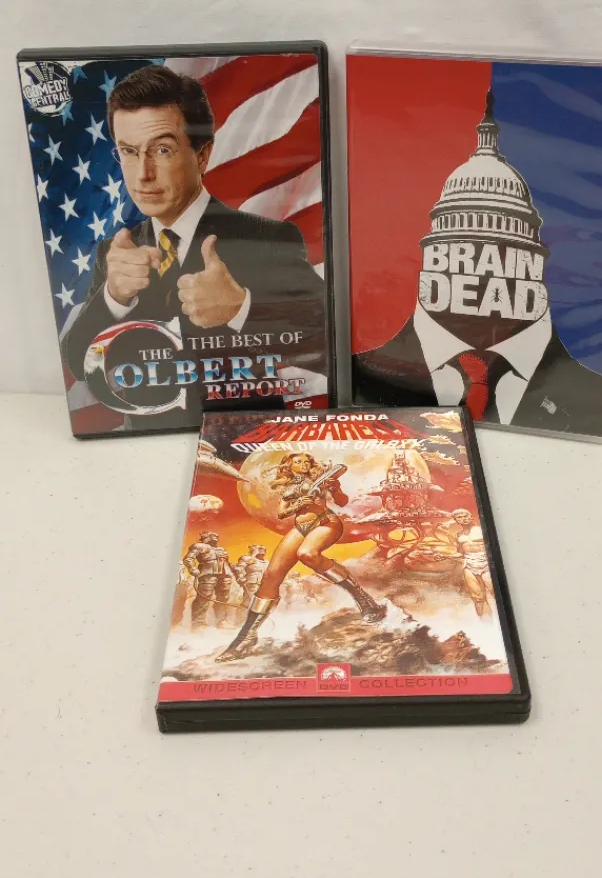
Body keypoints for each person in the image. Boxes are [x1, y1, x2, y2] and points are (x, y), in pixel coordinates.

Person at [61, 65, 327, 428]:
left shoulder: (267, 238)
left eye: (163, 150)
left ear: (202, 156)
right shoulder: (117, 251)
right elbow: (79, 363)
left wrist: (241, 307)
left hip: (244, 439)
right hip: (146, 446)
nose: (143, 174)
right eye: (129, 151)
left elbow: (326, 343)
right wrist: (113, 297)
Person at [353, 94, 602, 437]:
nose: (482, 270)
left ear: (531, 263)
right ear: (434, 256)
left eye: (496, 255)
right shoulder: (358, 381)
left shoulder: (599, 400)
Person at [217, 453, 385, 661]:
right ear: (288, 466)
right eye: (298, 461)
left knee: (307, 554)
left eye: (307, 461)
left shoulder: (321, 479)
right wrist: (298, 504)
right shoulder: (288, 486)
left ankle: (364, 600)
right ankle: (246, 637)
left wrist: (335, 488)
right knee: (271, 575)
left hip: (325, 522)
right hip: (300, 527)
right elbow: (282, 513)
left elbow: (342, 501)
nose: (304, 464)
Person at [182, 532, 234, 628]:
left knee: (223, 598)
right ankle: (198, 623)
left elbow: (228, 563)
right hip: (208, 574)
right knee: (204, 597)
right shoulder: (199, 546)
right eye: (212, 535)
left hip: (224, 575)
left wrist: (237, 573)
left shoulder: (221, 549)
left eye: (216, 535)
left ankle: (221, 621)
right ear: (205, 537)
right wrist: (192, 568)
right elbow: (188, 559)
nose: (216, 536)